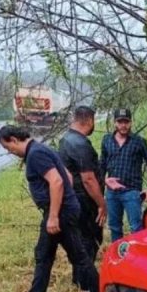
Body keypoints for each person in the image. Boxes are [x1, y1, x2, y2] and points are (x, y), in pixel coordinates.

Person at [0, 125, 100, 292]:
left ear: (14, 139)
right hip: (62, 210)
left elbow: (57, 181)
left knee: (79, 257)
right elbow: (66, 176)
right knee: (44, 253)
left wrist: (53, 216)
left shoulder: (35, 154)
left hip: (60, 214)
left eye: (8, 147)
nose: (10, 152)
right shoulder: (40, 149)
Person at [100, 108, 147, 241]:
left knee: (136, 227)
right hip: (112, 193)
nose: (123, 125)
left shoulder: (139, 141)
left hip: (131, 192)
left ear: (130, 123)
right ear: (115, 123)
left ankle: (138, 257)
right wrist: (101, 190)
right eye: (120, 122)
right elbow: (101, 166)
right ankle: (118, 257)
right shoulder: (107, 140)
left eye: (126, 122)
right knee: (114, 227)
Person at [58, 106, 105, 265]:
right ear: (90, 121)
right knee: (90, 240)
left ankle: (79, 278)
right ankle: (87, 282)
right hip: (85, 201)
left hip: (71, 198)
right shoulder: (80, 144)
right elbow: (88, 179)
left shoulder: (65, 139)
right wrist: (101, 204)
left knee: (79, 240)